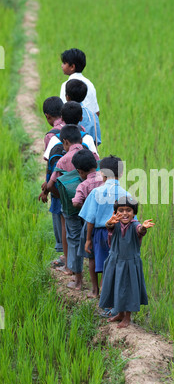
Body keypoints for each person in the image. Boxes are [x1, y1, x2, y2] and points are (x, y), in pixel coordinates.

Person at [46, 125, 99, 289]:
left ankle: (78, 281)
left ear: (65, 142)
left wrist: (59, 195)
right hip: (91, 209)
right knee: (93, 239)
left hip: (71, 207)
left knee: (74, 239)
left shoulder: (62, 160)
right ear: (81, 140)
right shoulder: (91, 154)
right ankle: (98, 284)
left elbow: (50, 184)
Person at [79, 155, 133, 299]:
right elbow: (132, 219)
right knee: (111, 264)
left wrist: (88, 239)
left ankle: (95, 291)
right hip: (118, 234)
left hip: (99, 232)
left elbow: (90, 218)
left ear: (101, 173)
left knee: (94, 259)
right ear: (121, 174)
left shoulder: (96, 192)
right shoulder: (126, 194)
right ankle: (106, 294)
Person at [99, 196, 155, 328]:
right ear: (116, 212)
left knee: (128, 289)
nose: (125, 213)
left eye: (128, 210)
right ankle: (119, 313)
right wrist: (109, 222)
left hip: (129, 264)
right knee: (116, 287)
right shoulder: (114, 224)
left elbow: (140, 230)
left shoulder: (136, 225)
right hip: (115, 261)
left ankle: (127, 317)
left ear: (134, 213)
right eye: (121, 210)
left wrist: (144, 228)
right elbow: (109, 226)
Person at [71, 150, 104, 298]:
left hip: (90, 226)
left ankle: (94, 290)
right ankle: (104, 289)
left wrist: (87, 205)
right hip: (108, 224)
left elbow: (76, 202)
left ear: (80, 171)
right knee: (106, 257)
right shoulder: (106, 179)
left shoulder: (83, 185)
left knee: (92, 258)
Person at [39, 96, 64, 265]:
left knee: (59, 214)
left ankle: (64, 255)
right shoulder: (77, 127)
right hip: (76, 181)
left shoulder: (51, 136)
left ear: (47, 116)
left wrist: (46, 188)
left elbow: (51, 166)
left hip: (58, 184)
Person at [59, 48, 100, 116]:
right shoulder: (89, 84)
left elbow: (62, 110)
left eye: (64, 63)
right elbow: (96, 112)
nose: (62, 66)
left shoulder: (66, 85)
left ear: (72, 67)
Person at [65, 79, 101, 146]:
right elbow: (97, 141)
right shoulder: (93, 116)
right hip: (89, 154)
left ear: (67, 97)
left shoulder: (64, 113)